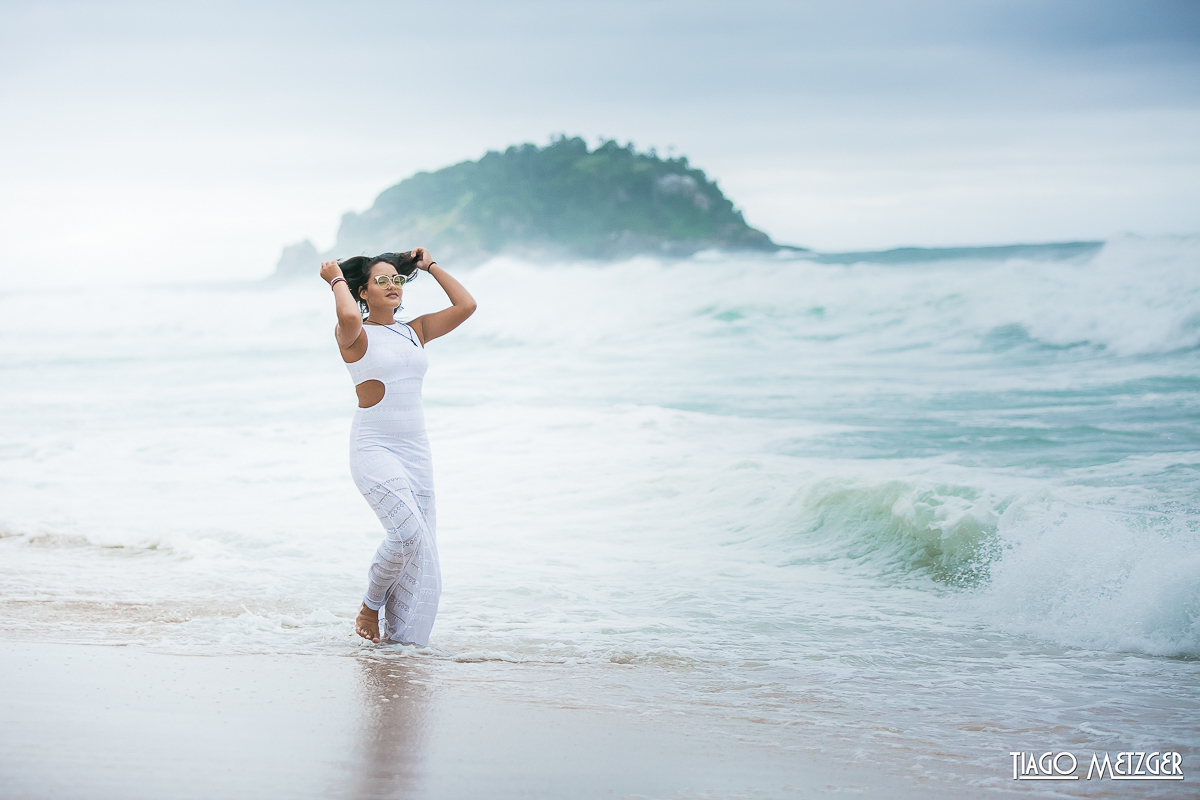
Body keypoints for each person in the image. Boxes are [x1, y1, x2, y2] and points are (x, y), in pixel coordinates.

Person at [319, 247, 476, 645]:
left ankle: (401, 644)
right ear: (363, 291)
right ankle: (369, 607)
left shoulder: (415, 331)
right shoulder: (353, 334)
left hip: (416, 451)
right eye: (381, 281)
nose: (393, 286)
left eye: (398, 280)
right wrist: (336, 278)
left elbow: (466, 304)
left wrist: (429, 266)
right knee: (407, 535)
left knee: (423, 547)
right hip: (374, 448)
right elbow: (349, 313)